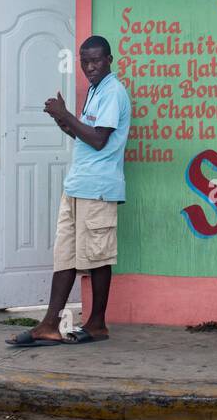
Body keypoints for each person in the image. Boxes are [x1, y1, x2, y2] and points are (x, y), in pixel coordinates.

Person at [7, 36, 131, 347]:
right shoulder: (95, 90)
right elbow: (87, 136)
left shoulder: (113, 92)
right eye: (85, 61)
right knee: (65, 256)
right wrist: (64, 123)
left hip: (98, 188)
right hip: (78, 184)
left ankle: (97, 323)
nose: (90, 67)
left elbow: (101, 139)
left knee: (98, 257)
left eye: (96, 60)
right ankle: (50, 323)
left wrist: (66, 116)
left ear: (110, 59)